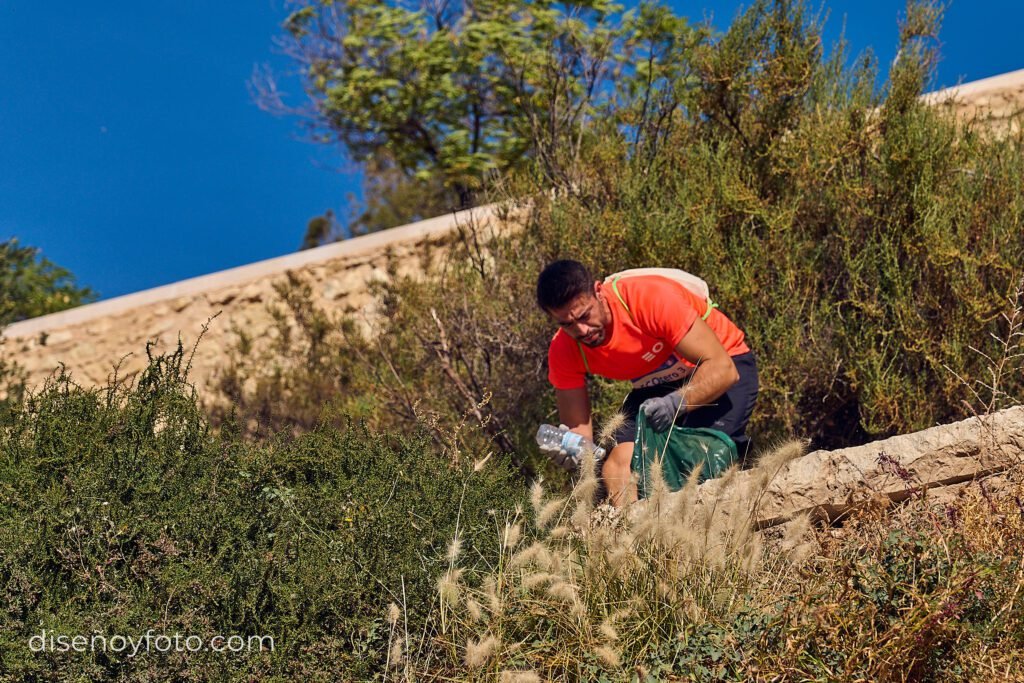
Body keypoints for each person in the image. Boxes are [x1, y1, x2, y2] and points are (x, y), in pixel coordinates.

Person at [536, 260, 758, 507]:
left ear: (599, 292)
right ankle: (635, 541)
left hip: (719, 362)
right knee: (617, 465)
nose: (582, 330)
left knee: (695, 458)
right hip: (655, 385)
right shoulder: (564, 350)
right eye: (567, 324)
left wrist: (677, 403)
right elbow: (580, 434)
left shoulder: (647, 298)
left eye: (585, 315)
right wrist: (574, 451)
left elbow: (724, 370)